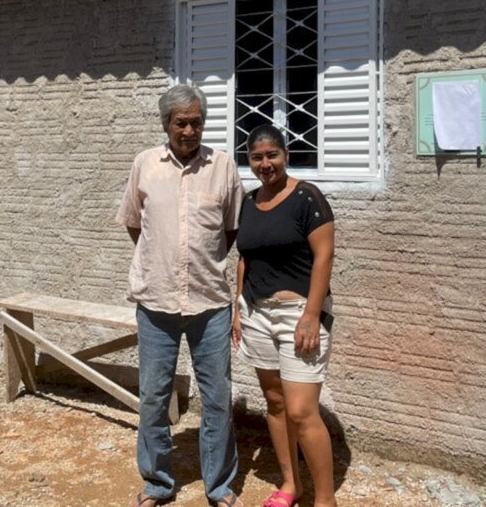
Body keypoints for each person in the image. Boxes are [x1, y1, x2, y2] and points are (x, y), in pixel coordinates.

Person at [117, 84, 246, 507]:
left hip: (210, 303)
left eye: (196, 122)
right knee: (154, 397)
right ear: (166, 124)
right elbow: (135, 224)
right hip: (156, 303)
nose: (189, 131)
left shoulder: (223, 166)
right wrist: (163, 260)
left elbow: (230, 231)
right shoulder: (145, 165)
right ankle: (158, 483)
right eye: (181, 123)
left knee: (217, 399)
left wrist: (199, 263)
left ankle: (220, 485)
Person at [232, 124, 337, 507]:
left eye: (272, 155)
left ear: (285, 155)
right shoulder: (248, 201)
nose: (265, 164)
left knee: (301, 409)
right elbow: (245, 257)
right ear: (249, 160)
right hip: (257, 312)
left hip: (299, 313)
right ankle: (291, 483)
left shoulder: (307, 198)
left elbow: (324, 256)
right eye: (257, 157)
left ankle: (325, 500)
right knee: (275, 402)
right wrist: (237, 307)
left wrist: (312, 314)